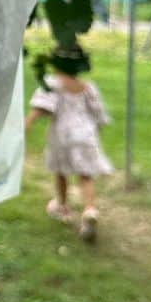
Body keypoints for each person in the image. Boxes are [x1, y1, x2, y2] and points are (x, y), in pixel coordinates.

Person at [24, 44, 113, 241]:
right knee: (86, 174)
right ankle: (90, 209)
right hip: (86, 134)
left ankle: (62, 205)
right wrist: (97, 130)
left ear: (55, 63)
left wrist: (27, 124)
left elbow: (42, 107)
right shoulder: (87, 87)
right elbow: (98, 113)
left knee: (61, 170)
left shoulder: (53, 83)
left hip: (62, 135)